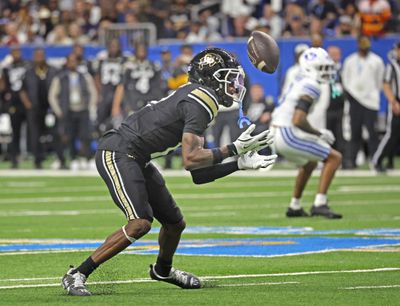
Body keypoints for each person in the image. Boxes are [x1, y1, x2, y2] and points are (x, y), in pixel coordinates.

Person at [61, 47, 276, 296]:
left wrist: (238, 163)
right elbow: (192, 159)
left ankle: (163, 270)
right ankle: (77, 273)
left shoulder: (202, 100)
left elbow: (197, 173)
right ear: (212, 78)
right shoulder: (202, 98)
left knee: (175, 224)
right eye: (229, 78)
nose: (235, 84)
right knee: (139, 223)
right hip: (119, 151)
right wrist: (233, 149)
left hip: (137, 157)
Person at [271, 47, 343, 219]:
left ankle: (294, 206)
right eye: (322, 68)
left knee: (310, 163)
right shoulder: (312, 85)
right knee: (335, 157)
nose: (326, 71)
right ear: (310, 67)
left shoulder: (300, 80)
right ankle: (320, 203)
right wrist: (318, 133)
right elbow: (298, 119)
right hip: (287, 133)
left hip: (276, 131)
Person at [341, 35, 385, 169]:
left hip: (370, 101)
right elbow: (345, 79)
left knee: (372, 133)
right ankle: (351, 161)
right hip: (355, 100)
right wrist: (352, 94)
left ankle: (375, 161)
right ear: (358, 45)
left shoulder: (376, 61)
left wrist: (370, 93)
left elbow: (379, 81)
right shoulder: (350, 60)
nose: (364, 49)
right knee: (355, 133)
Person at [48, 53, 97, 170]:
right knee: (70, 136)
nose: (72, 63)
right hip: (68, 111)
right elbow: (52, 96)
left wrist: (91, 106)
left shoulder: (85, 76)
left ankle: (87, 158)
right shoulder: (60, 77)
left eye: (74, 61)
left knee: (86, 135)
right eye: (70, 61)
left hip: (82, 109)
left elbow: (93, 92)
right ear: (66, 63)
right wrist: (58, 111)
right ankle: (73, 158)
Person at [19, 48, 58, 169]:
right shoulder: (29, 72)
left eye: (41, 55)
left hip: (51, 107)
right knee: (35, 134)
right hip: (35, 107)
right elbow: (22, 90)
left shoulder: (52, 71)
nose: (39, 58)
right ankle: (37, 159)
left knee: (54, 132)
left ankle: (57, 156)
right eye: (37, 56)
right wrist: (27, 104)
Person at [372, 42, 400, 172]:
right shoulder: (392, 66)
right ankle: (377, 161)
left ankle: (389, 161)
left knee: (396, 135)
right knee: (391, 133)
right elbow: (386, 85)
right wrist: (393, 102)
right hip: (396, 102)